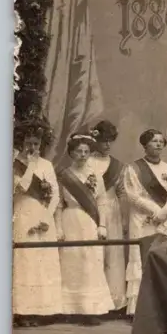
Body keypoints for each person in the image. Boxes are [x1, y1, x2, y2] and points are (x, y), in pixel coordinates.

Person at [56, 133, 115, 322]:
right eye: (78, 151)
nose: (82, 155)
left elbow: (102, 202)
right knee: (71, 262)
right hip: (70, 219)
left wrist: (103, 225)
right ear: (71, 153)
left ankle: (91, 310)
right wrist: (59, 228)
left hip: (90, 221)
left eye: (86, 152)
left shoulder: (95, 175)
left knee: (90, 262)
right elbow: (58, 204)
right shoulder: (64, 175)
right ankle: (70, 310)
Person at [123, 129, 167, 316]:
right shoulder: (134, 168)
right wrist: (156, 211)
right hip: (143, 219)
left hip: (164, 219)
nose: (158, 144)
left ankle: (163, 308)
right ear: (145, 145)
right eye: (154, 141)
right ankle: (140, 310)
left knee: (164, 259)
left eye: (161, 141)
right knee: (142, 260)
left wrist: (163, 212)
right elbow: (133, 196)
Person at [12, 118, 63, 323]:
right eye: (29, 143)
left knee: (44, 262)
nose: (32, 147)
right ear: (21, 143)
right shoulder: (14, 163)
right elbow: (21, 188)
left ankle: (43, 311)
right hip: (23, 213)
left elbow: (56, 194)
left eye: (36, 143)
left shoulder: (47, 164)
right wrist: (30, 165)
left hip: (43, 216)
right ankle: (22, 311)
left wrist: (47, 217)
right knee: (26, 261)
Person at [88, 120, 127, 311]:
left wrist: (125, 218)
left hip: (113, 210)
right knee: (94, 254)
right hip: (90, 210)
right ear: (95, 140)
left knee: (114, 253)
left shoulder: (117, 165)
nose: (107, 145)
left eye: (110, 141)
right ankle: (95, 303)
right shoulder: (86, 160)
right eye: (104, 140)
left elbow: (121, 192)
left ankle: (115, 302)